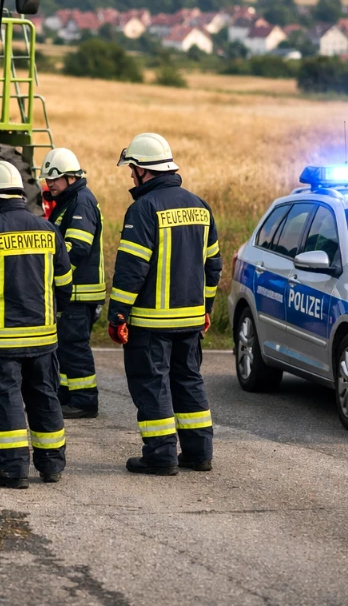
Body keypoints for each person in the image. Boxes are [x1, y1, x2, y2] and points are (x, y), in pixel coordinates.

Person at [107, 133, 221, 475]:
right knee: (189, 382)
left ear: (144, 170)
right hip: (189, 321)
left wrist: (118, 315)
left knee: (152, 384)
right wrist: (206, 309)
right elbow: (212, 265)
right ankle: (199, 453)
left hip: (151, 324)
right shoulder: (199, 206)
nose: (130, 176)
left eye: (132, 170)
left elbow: (131, 269)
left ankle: (160, 456)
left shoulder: (143, 209)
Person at [0, 160, 73, 488]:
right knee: (44, 395)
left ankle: (13, 468)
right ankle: (51, 464)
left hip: (0, 340)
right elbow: (65, 283)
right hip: (43, 336)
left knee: (8, 398)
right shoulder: (47, 229)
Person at [40, 148, 105, 419]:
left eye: (55, 179)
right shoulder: (70, 201)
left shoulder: (81, 202)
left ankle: (85, 400)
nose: (50, 184)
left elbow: (76, 247)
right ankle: (67, 395)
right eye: (48, 179)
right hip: (73, 291)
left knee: (75, 346)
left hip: (80, 291)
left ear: (70, 177)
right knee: (66, 344)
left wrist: (53, 272)